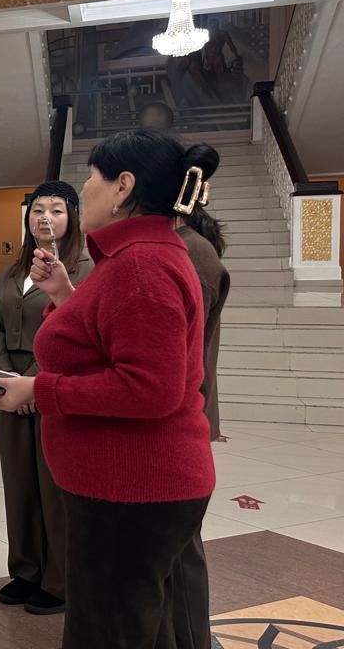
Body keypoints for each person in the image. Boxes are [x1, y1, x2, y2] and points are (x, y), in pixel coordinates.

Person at [0, 130, 218, 648]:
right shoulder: (138, 255)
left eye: (92, 177)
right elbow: (114, 342)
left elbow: (150, 388)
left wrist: (40, 391)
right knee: (138, 626)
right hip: (126, 484)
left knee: (109, 631)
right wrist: (65, 293)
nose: (85, 188)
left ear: (122, 187)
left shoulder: (142, 264)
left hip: (131, 487)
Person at [0, 181, 90, 615]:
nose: (45, 217)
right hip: (8, 386)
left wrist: (32, 381)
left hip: (52, 384)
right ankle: (25, 570)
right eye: (37, 210)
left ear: (73, 217)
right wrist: (5, 376)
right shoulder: (13, 271)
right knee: (19, 482)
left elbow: (77, 330)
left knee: (53, 487)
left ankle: (59, 580)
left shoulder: (84, 269)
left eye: (57, 210)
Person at [172, 164, 229, 645]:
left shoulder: (189, 251)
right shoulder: (177, 246)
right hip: (180, 408)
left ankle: (192, 639)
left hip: (179, 413)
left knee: (178, 545)